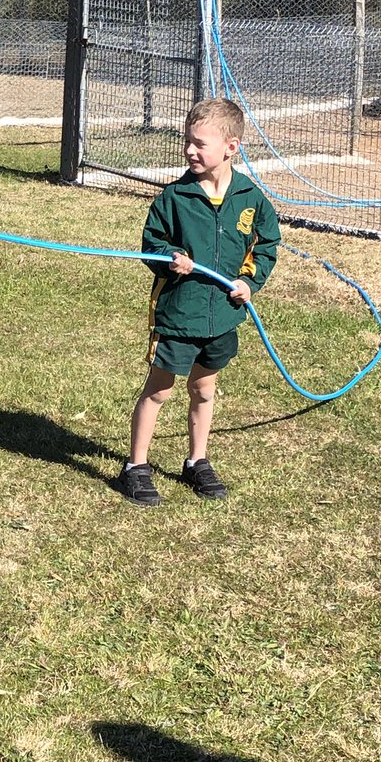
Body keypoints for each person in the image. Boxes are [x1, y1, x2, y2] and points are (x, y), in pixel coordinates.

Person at [117, 98, 280, 507]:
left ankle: (196, 461)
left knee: (204, 389)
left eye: (199, 144)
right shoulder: (175, 197)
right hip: (180, 314)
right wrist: (171, 258)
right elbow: (151, 244)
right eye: (187, 141)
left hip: (222, 316)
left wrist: (249, 282)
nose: (190, 150)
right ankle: (135, 466)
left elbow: (266, 245)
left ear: (231, 147)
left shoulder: (250, 197)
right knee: (159, 391)